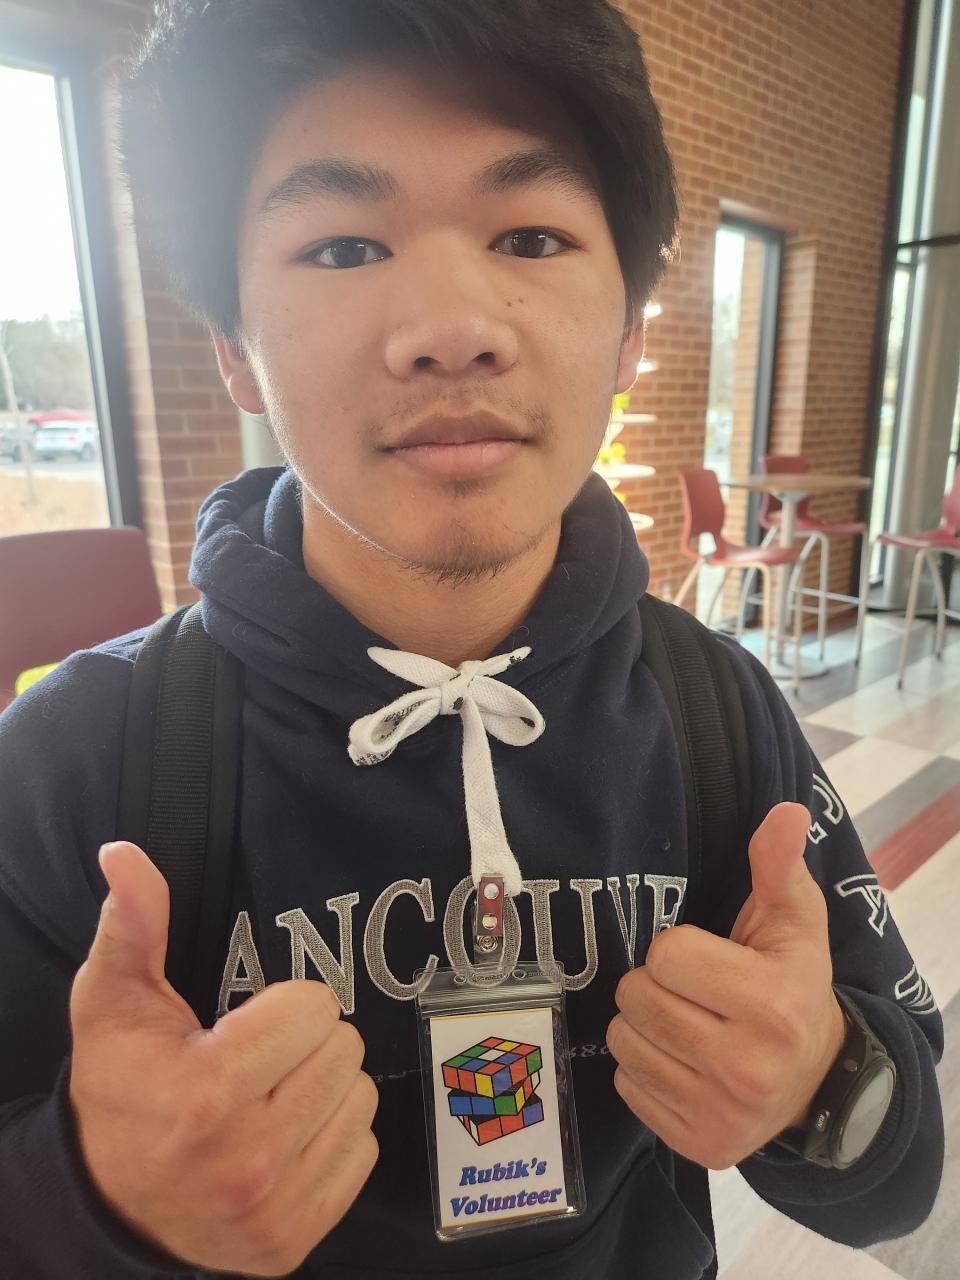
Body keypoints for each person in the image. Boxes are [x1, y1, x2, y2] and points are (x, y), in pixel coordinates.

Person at [0, 2, 944, 1277]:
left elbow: (904, 1170)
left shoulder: (719, 710)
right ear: (233, 346)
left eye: (532, 235)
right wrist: (98, 1201)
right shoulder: (69, 766)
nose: (452, 326)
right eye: (342, 245)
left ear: (630, 330)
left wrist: (819, 1078)